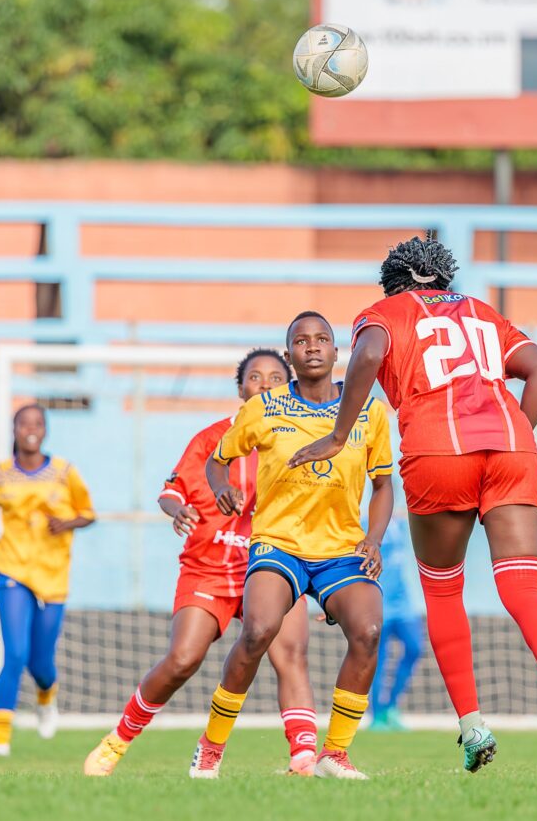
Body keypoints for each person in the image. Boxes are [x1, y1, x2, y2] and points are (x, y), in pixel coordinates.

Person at [290, 235, 537, 772]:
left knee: (445, 591)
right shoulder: (481, 312)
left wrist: (338, 436)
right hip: (512, 446)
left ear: (393, 282)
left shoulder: (382, 313)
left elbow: (369, 353)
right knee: (523, 588)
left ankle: (474, 727)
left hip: (437, 451)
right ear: (444, 278)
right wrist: (515, 436)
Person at [84, 350, 316, 777]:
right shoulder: (211, 439)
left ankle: (303, 758)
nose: (264, 384)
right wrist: (179, 512)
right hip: (208, 567)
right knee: (183, 659)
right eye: (254, 377)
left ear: (288, 386)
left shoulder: (301, 442)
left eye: (274, 378)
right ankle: (117, 741)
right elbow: (171, 491)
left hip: (275, 563)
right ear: (240, 387)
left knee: (292, 654)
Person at [187, 312, 394, 780]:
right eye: (302, 341)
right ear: (290, 356)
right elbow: (218, 460)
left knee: (368, 631)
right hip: (279, 543)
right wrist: (221, 486)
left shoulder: (370, 411)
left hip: (341, 549)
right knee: (258, 629)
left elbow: (384, 485)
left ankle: (334, 754)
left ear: (339, 353)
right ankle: (211, 746)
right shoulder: (264, 408)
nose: (313, 347)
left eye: (323, 339)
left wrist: (374, 538)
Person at [0, 404, 96, 756]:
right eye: (24, 422)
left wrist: (66, 523)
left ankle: (46, 696)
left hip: (53, 574)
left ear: (45, 430)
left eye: (37, 423)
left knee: (40, 662)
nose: (30, 428)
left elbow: (88, 514)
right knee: (14, 653)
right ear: (14, 429)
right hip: (11, 570)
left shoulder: (64, 472)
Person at [368, 517, 423, 732]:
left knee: (414, 648)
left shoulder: (401, 521)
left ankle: (391, 704)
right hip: (379, 602)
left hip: (405, 604)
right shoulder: (364, 521)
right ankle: (378, 714)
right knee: (377, 660)